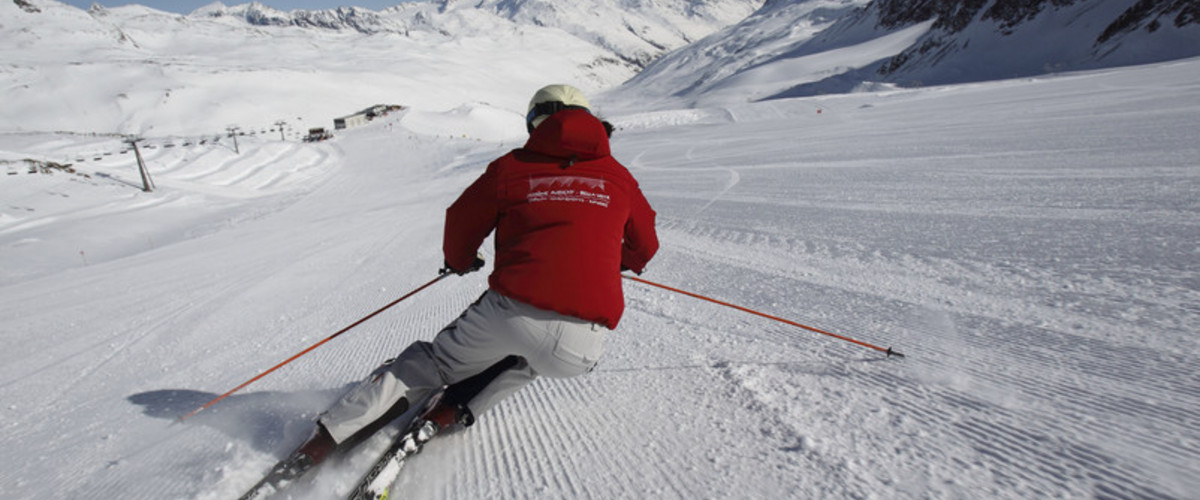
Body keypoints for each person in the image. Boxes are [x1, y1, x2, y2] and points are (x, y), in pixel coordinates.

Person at [279, 84, 659, 474]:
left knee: (435, 363)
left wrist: (460, 260)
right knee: (524, 358)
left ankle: (324, 444)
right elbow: (645, 246)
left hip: (511, 310)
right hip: (582, 348)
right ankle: (447, 413)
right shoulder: (619, 177)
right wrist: (613, 261)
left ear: (536, 124)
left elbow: (461, 221)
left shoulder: (512, 167)